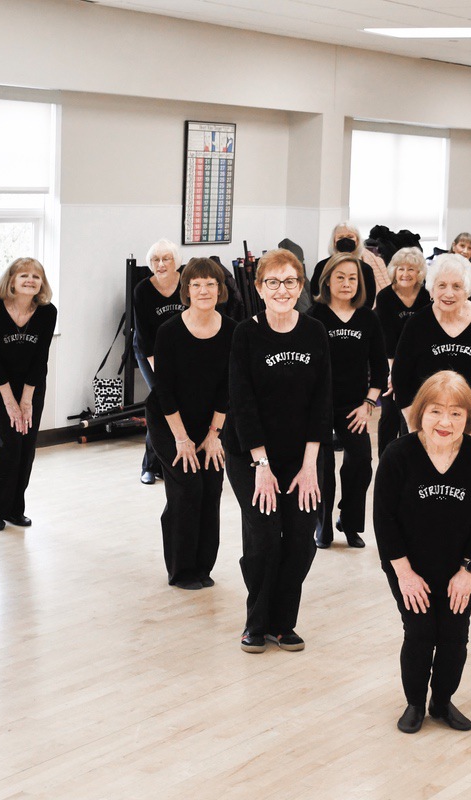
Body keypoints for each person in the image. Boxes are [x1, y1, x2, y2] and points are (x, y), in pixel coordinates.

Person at [374, 370, 471, 734]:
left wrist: (468, 571)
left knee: (455, 635)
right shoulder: (398, 455)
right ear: (421, 413)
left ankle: (441, 703)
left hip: (460, 565)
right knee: (421, 631)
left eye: (456, 413)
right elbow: (384, 520)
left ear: (468, 419)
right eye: (436, 411)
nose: (445, 421)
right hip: (408, 564)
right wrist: (405, 574)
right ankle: (414, 703)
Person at [224, 248, 332, 653]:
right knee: (265, 538)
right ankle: (256, 623)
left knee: (302, 540)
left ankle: (283, 623)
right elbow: (242, 403)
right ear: (259, 288)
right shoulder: (245, 334)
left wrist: (310, 467)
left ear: (300, 286)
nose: (282, 289)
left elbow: (322, 403)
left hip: (302, 457)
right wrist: (261, 464)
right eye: (273, 282)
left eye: (290, 282)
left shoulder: (314, 332)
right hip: (250, 456)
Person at [146, 257, 233, 590]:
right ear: (186, 290)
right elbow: (164, 391)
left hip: (210, 423)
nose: (204, 290)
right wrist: (182, 440)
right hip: (170, 423)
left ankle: (202, 567)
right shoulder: (169, 332)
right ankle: (181, 570)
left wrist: (214, 435)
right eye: (196, 284)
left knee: (211, 488)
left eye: (210, 283)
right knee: (187, 487)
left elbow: (228, 387)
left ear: (220, 289)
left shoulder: (232, 331)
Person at [308, 252, 387, 549]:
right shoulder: (314, 316)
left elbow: (381, 367)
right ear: (327, 280)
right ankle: (323, 527)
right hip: (318, 408)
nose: (346, 283)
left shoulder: (368, 318)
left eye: (352, 278)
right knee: (323, 469)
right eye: (340, 277)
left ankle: (350, 522)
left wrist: (368, 404)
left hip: (354, 408)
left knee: (361, 463)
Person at [0, 258, 57, 532]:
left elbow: (40, 359)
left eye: (36, 276)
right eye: (24, 275)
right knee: (10, 440)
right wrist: (10, 402)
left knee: (27, 442)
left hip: (31, 382)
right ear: (11, 281)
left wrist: (27, 400)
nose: (30, 280)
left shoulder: (47, 312)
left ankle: (15, 509)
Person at [392, 253, 471, 444]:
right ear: (431, 290)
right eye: (441, 285)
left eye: (457, 286)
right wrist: (414, 424)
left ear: (467, 290)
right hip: (423, 419)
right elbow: (401, 377)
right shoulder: (417, 324)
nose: (449, 293)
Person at [133, 239, 185, 485]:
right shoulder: (142, 289)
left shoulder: (187, 283)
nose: (161, 264)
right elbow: (143, 335)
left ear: (176, 261)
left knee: (181, 406)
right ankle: (150, 466)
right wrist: (158, 369)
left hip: (180, 353)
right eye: (156, 260)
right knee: (161, 403)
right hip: (149, 353)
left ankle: (170, 464)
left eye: (167, 259)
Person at [374, 247, 430, 456]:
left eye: (411, 269)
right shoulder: (385, 297)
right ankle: (385, 460)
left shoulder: (426, 297)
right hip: (389, 365)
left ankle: (409, 460)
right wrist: (393, 376)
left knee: (413, 416)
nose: (405, 274)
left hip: (418, 368)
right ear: (394, 271)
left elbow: (425, 338)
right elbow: (387, 340)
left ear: (419, 273)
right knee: (389, 413)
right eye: (401, 269)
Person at [310, 222, 388, 306]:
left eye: (350, 237)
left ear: (357, 241)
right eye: (341, 237)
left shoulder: (365, 269)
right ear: (334, 241)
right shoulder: (322, 266)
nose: (345, 240)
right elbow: (315, 294)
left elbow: (368, 300)